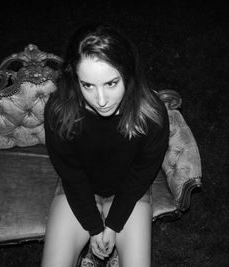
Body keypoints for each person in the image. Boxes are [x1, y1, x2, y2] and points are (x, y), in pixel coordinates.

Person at [41, 23, 169, 267]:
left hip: (129, 192)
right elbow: (71, 174)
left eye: (111, 83)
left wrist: (113, 225)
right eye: (87, 85)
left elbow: (141, 174)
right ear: (74, 78)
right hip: (78, 192)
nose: (101, 100)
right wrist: (94, 227)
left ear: (128, 74)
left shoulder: (151, 114)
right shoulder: (59, 111)